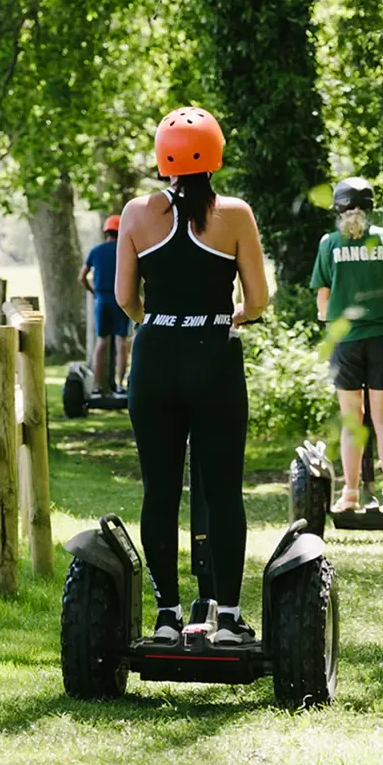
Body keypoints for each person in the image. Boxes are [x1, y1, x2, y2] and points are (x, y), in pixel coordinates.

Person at [115, 106, 270, 644]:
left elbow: (122, 297)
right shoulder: (236, 213)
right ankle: (226, 617)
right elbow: (258, 300)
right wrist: (225, 318)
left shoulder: (136, 213)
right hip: (214, 358)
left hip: (154, 358)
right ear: (216, 155)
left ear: (164, 158)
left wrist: (156, 323)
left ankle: (165, 617)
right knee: (223, 490)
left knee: (159, 490)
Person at [310, 177, 383, 513]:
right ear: (369, 208)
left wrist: (329, 316)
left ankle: (350, 494)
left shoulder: (329, 243)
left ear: (338, 209)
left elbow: (322, 299)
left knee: (353, 419)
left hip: (345, 342)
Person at [77, 215, 129, 393]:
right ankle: (121, 385)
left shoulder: (96, 251)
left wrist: (94, 292)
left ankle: (98, 386)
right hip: (121, 300)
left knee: (101, 343)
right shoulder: (125, 250)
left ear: (106, 231)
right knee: (122, 342)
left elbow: (82, 277)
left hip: (102, 301)